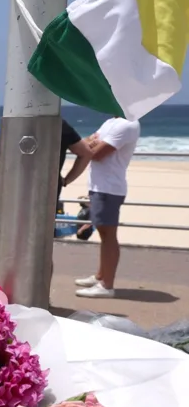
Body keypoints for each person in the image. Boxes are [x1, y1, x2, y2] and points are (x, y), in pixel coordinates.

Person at [74, 117, 141, 298]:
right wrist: (91, 144)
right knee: (104, 234)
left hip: (109, 187)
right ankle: (100, 276)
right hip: (99, 186)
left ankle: (106, 285)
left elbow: (95, 154)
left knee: (108, 234)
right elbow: (87, 142)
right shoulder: (110, 121)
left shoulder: (128, 124)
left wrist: (91, 145)